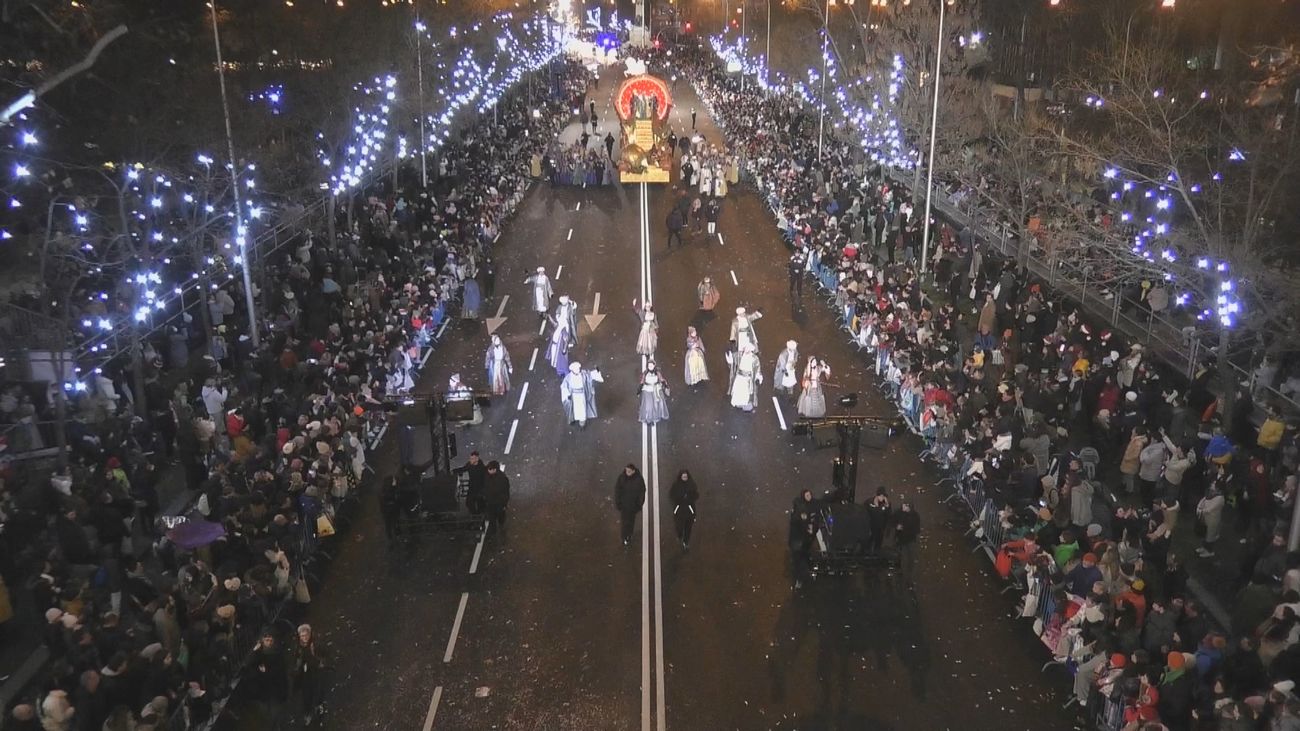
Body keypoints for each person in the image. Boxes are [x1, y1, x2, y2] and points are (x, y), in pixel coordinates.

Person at [289, 624, 327, 726]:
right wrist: (297, 669)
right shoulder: (298, 647)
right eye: (302, 636)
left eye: (306, 635)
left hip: (316, 671)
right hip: (305, 674)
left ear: (309, 635)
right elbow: (296, 660)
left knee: (318, 690)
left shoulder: (314, 644)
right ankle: (308, 713)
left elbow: (322, 655)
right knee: (306, 694)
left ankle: (319, 708)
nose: (304, 638)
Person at [561, 361, 604, 428]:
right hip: (574, 397)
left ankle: (582, 421)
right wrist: (567, 394)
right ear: (572, 370)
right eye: (576, 369)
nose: (578, 370)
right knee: (574, 409)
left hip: (582, 396)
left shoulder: (583, 375)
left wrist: (597, 371)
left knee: (582, 409)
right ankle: (574, 418)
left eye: (578, 368)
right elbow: (564, 386)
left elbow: (590, 375)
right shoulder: (568, 378)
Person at [614, 464, 647, 546]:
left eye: (629, 471)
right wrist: (618, 503)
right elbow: (617, 491)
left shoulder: (638, 480)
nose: (627, 472)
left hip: (633, 506)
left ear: (633, 471)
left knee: (631, 521)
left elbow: (642, 492)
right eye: (626, 471)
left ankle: (629, 534)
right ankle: (625, 536)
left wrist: (639, 504)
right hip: (624, 506)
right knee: (625, 522)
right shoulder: (622, 478)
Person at [727, 344, 763, 412]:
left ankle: (746, 405)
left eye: (748, 349)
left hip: (748, 379)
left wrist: (758, 377)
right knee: (738, 392)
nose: (746, 350)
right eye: (745, 348)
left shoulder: (755, 359)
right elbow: (732, 359)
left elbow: (758, 369)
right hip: (740, 377)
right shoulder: (739, 355)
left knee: (746, 394)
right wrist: (729, 357)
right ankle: (739, 404)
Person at [670, 469, 700, 549]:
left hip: (689, 510)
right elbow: (672, 495)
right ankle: (680, 535)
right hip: (679, 510)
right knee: (679, 526)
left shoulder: (692, 485)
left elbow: (696, 495)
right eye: (683, 476)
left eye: (686, 476)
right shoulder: (676, 485)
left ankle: (686, 542)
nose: (685, 478)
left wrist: (689, 498)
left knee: (688, 528)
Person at [895, 499, 921, 581]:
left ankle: (909, 574)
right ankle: (901, 570)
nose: (902, 506)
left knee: (910, 557)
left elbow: (916, 529)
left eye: (904, 505)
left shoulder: (915, 517)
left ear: (908, 507)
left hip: (909, 540)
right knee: (901, 555)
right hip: (902, 539)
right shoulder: (901, 513)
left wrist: (902, 528)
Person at [482, 460, 511, 532]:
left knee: (499, 515)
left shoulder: (502, 478)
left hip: (499, 502)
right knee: (492, 518)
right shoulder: (487, 476)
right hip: (491, 501)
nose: (488, 471)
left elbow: (505, 491)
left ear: (495, 469)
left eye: (490, 469)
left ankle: (500, 524)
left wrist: (504, 503)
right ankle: (494, 530)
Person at [379, 474, 402, 541]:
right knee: (394, 522)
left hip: (386, 511)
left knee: (388, 524)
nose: (395, 481)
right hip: (391, 510)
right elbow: (394, 498)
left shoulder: (383, 491)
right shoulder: (390, 492)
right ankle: (396, 534)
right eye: (393, 481)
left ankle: (391, 537)